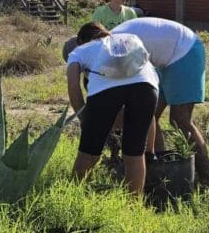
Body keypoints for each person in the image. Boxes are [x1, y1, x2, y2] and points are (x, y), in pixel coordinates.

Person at [111, 17, 209, 187]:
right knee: (150, 116)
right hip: (164, 58)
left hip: (184, 51)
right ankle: (161, 171)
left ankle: (207, 182)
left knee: (180, 120)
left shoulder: (116, 45)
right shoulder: (110, 43)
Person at [67, 22, 159, 195]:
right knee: (134, 153)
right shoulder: (129, 39)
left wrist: (85, 119)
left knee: (89, 151)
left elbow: (73, 85)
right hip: (147, 87)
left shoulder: (79, 50)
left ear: (81, 40)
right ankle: (134, 206)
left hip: (104, 90)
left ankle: (74, 196)